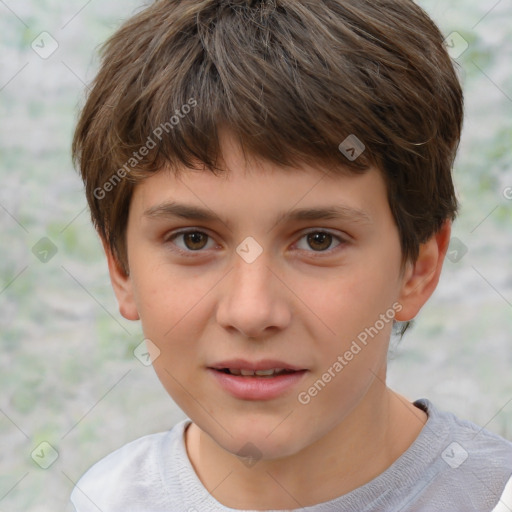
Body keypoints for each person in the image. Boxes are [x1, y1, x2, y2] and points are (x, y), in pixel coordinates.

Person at [69, 0, 512, 510]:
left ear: (418, 268)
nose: (252, 312)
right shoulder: (105, 499)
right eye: (193, 239)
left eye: (318, 240)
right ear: (121, 270)